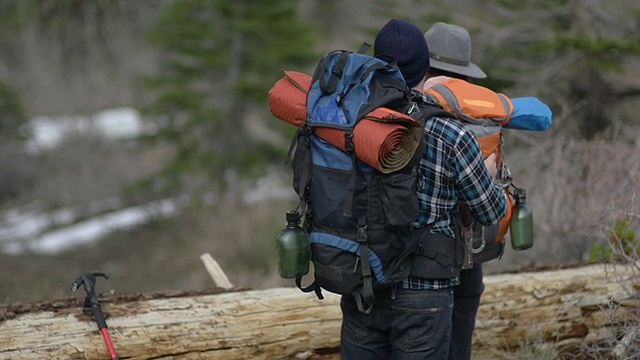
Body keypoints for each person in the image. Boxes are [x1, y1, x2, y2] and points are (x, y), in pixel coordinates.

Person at [339, 18, 507, 360]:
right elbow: (492, 211)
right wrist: (485, 175)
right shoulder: (452, 134)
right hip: (425, 290)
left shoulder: (349, 122)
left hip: (363, 281)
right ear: (423, 68)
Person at [423, 22, 499, 360]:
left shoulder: (401, 110)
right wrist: (490, 177)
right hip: (468, 260)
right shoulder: (477, 117)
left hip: (413, 266)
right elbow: (490, 209)